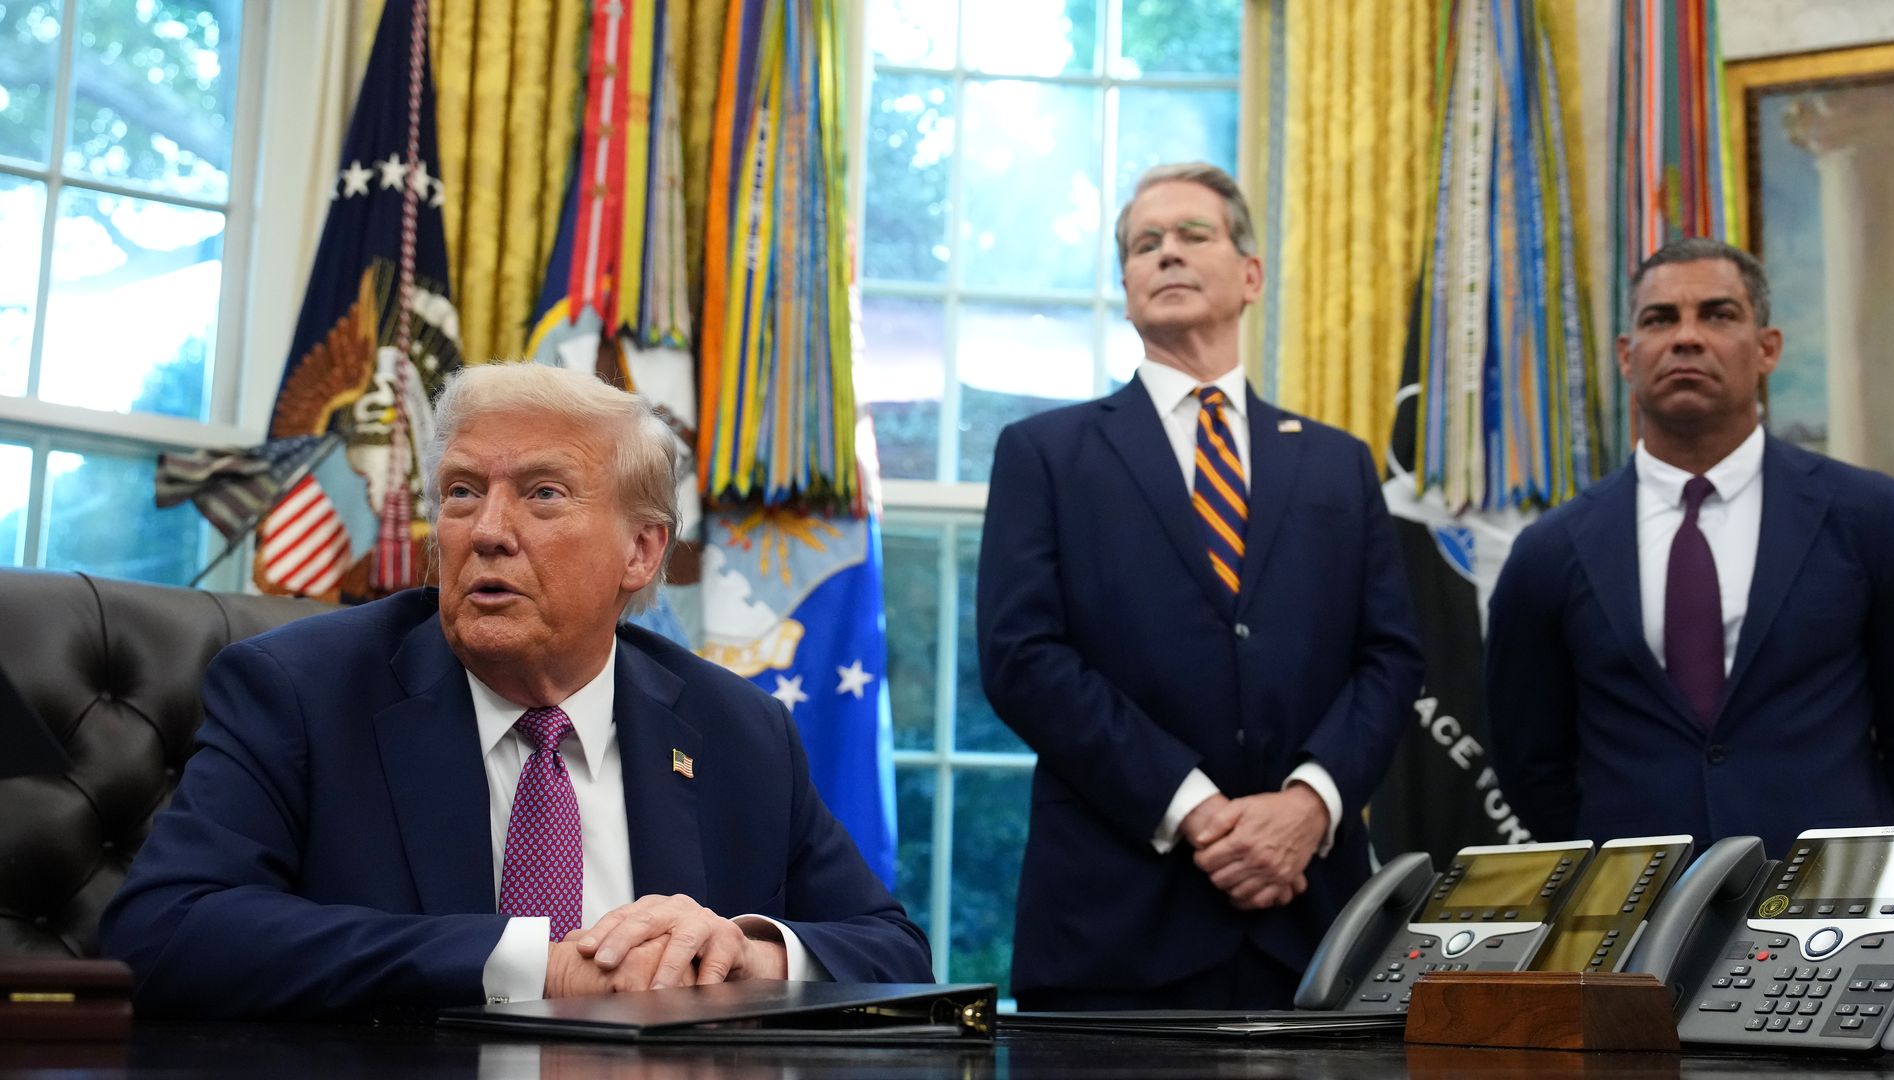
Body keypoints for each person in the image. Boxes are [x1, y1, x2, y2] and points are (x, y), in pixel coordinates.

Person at [101, 363, 931, 1018]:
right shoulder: (302, 692)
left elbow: (893, 952)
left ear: (641, 552)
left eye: (542, 494)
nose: (487, 531)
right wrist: (535, 966)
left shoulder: (737, 728)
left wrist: (746, 953)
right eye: (463, 491)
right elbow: (165, 931)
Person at [975, 163, 1424, 1011]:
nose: (1167, 255)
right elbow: (1020, 659)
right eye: (1146, 245)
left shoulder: (1337, 463)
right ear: (1128, 285)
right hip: (1113, 936)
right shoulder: (1045, 455)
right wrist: (1198, 811)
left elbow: (1390, 659)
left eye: (1193, 236)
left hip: (1312, 928)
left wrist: (1308, 805)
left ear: (1250, 275)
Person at [1485, 238, 1894, 857]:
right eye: (1660, 319)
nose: (1686, 337)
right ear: (1626, 356)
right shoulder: (1549, 552)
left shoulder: (1873, 518)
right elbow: (1531, 766)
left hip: (1832, 917)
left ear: (1767, 348)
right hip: (1637, 927)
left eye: (1717, 314)